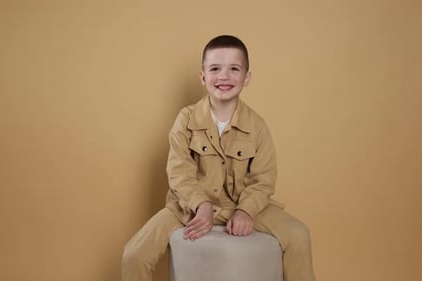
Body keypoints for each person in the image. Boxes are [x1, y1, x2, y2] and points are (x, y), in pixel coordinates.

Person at [122, 35, 316, 281]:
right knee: (133, 254)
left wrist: (246, 211)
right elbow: (179, 172)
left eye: (234, 69)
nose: (224, 77)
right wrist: (200, 204)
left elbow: (263, 179)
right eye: (215, 69)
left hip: (239, 204)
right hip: (188, 209)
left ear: (247, 77)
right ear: (203, 77)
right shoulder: (186, 119)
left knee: (299, 235)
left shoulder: (257, 126)